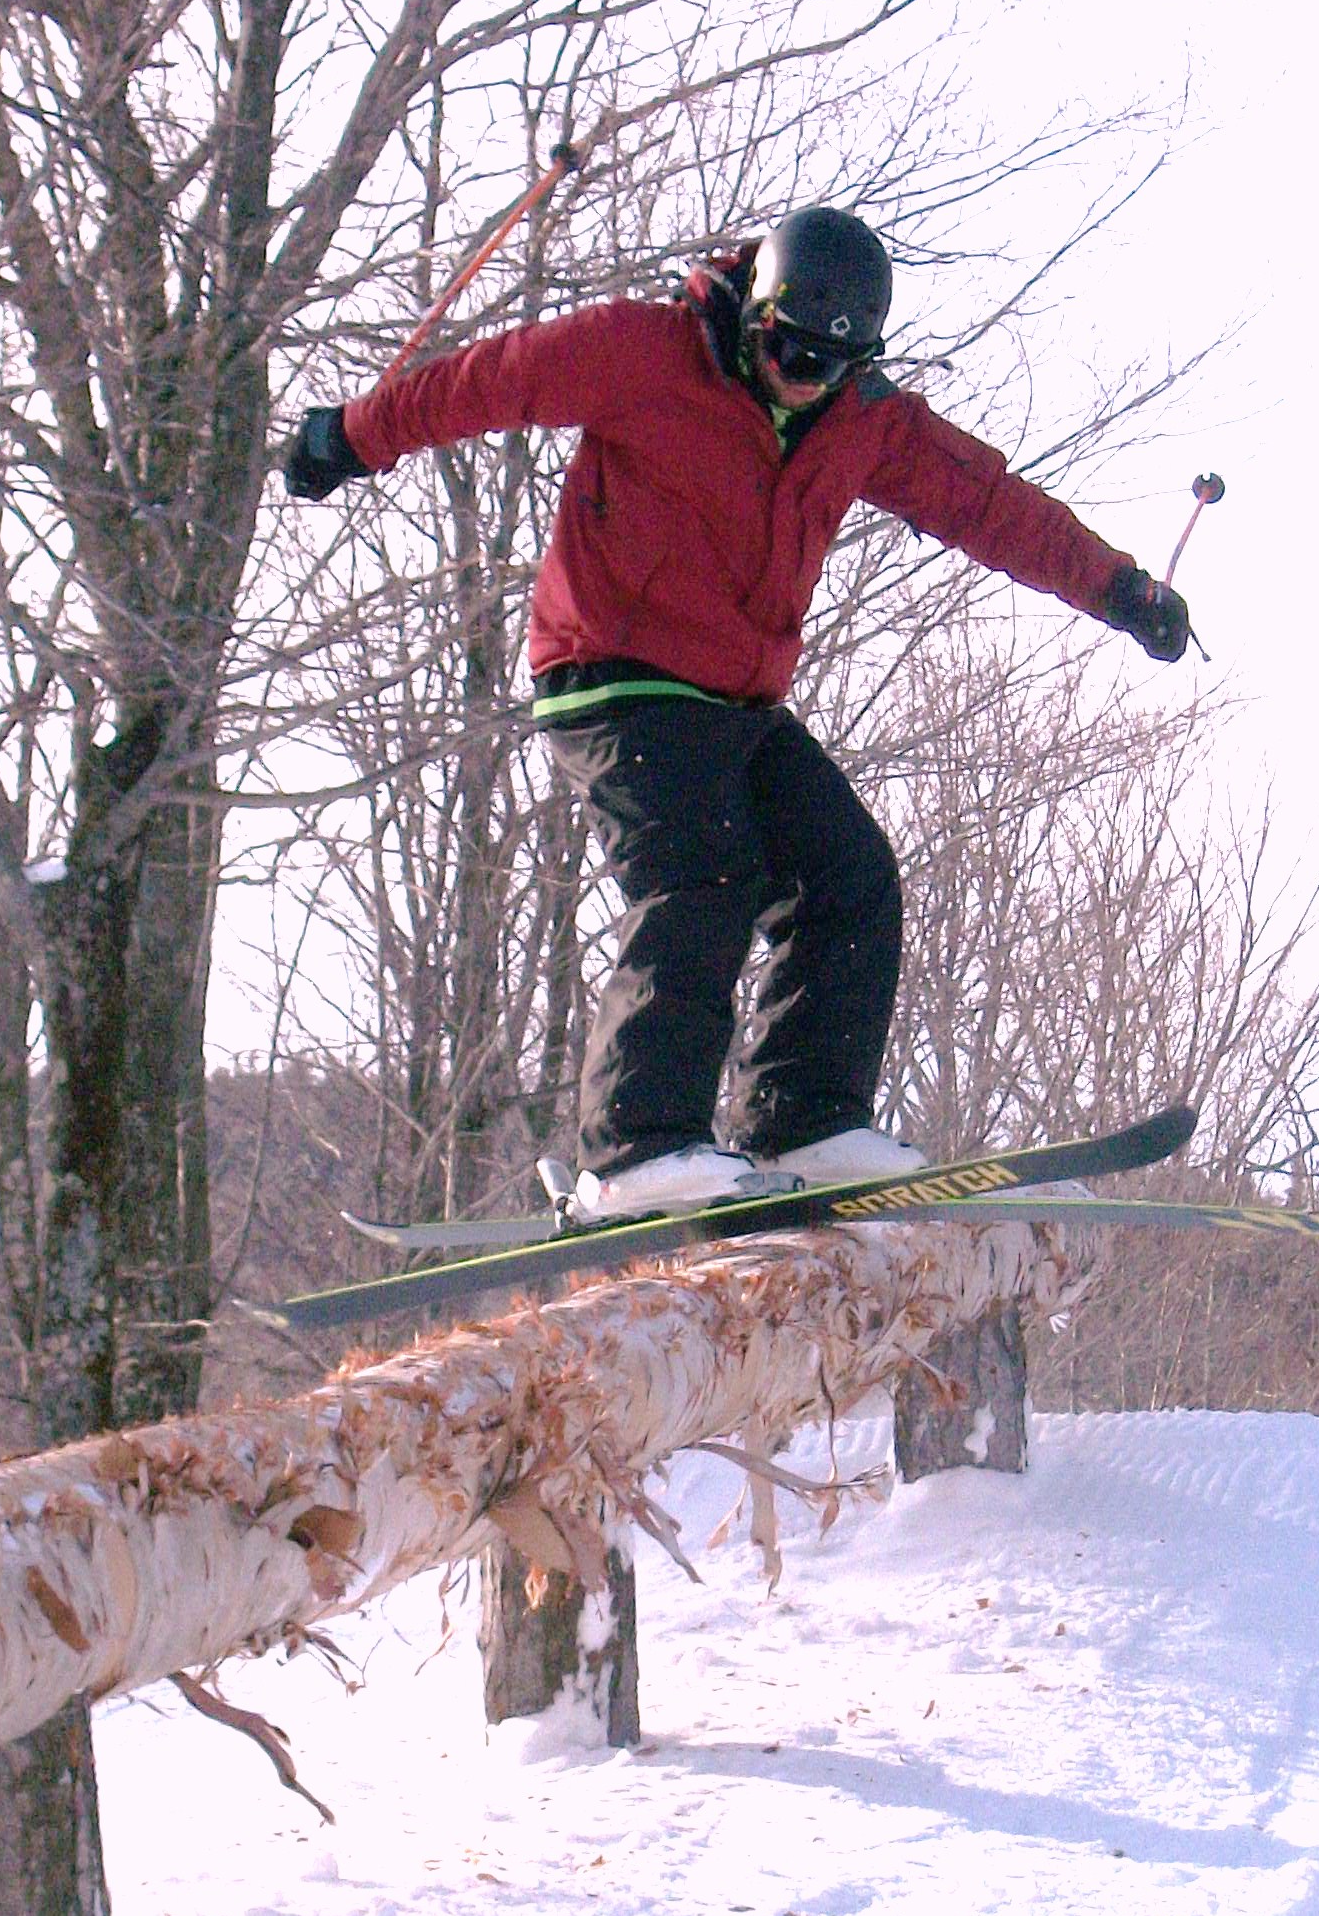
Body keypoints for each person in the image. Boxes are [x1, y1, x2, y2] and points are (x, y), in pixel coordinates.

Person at [278, 205, 1193, 1222]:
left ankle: (802, 1115)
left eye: (828, 365)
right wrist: (354, 437)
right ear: (751, 314)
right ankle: (632, 1149)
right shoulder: (642, 351)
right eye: (786, 352)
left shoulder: (866, 420)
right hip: (613, 673)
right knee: (703, 870)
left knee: (846, 873)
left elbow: (989, 505)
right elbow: (489, 381)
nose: (803, 377)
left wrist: (1119, 591)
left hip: (736, 700)